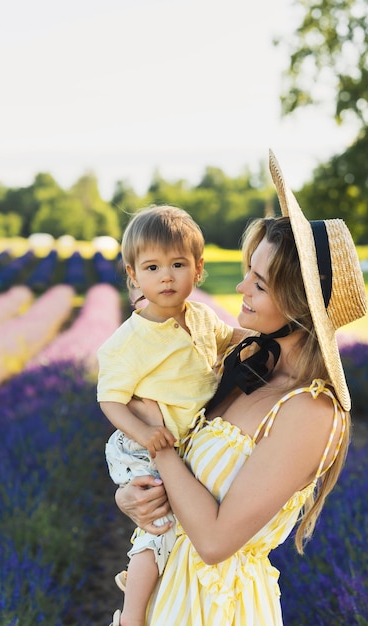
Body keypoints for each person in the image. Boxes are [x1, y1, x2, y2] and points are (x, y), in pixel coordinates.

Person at [113, 150, 367, 626]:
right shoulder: (246, 365)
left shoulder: (311, 410)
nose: (242, 288)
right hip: (168, 591)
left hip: (217, 608)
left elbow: (213, 542)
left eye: (261, 283)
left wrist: (159, 443)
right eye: (249, 270)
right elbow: (182, 482)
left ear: (299, 305)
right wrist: (133, 498)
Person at [97, 205, 247, 626]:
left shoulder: (199, 316)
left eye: (178, 264)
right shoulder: (129, 341)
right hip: (141, 442)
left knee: (172, 527)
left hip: (177, 438)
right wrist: (146, 433)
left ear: (198, 270)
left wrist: (259, 339)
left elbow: (227, 339)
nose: (166, 276)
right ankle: (131, 616)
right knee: (157, 529)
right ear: (133, 274)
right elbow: (110, 401)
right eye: (152, 267)